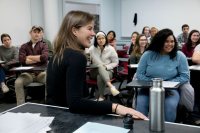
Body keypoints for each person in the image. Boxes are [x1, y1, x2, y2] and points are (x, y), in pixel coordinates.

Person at [46, 10, 147, 119]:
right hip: (67, 120)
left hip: (52, 115)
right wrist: (116, 107)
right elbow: (75, 104)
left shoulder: (58, 54)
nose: (93, 33)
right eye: (89, 29)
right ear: (75, 31)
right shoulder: (77, 57)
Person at [135, 29, 190, 122]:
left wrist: (167, 84)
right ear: (159, 42)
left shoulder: (179, 55)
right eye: (166, 41)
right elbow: (139, 75)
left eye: (172, 41)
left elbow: (185, 76)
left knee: (170, 106)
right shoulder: (148, 55)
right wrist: (156, 84)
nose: (170, 44)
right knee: (141, 104)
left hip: (170, 89)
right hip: (148, 87)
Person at [15, 26, 48, 105]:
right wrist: (38, 58)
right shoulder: (24, 46)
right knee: (18, 82)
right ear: (30, 33)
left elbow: (44, 58)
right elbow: (22, 60)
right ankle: (20, 106)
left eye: (38, 32)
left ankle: (49, 104)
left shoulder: (44, 45)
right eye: (34, 32)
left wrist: (28, 57)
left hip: (41, 73)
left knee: (49, 80)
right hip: (28, 74)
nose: (37, 34)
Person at [89, 31, 119, 101]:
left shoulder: (110, 49)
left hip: (108, 71)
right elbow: (87, 61)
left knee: (100, 76)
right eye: (99, 39)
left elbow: (115, 62)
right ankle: (111, 86)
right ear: (96, 40)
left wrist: (106, 67)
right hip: (94, 71)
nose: (101, 40)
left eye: (103, 38)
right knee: (99, 66)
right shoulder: (91, 49)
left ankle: (101, 96)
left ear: (105, 39)